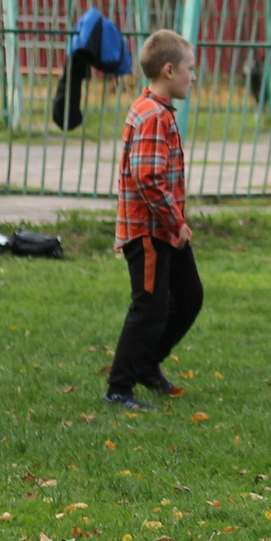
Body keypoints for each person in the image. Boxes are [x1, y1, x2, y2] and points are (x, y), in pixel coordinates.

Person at [104, 30, 200, 413]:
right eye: (190, 70)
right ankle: (118, 387)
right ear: (169, 69)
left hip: (165, 229)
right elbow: (147, 178)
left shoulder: (156, 109)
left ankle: (146, 364)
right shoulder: (153, 116)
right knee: (149, 306)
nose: (193, 77)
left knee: (189, 297)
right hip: (149, 232)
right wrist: (176, 223)